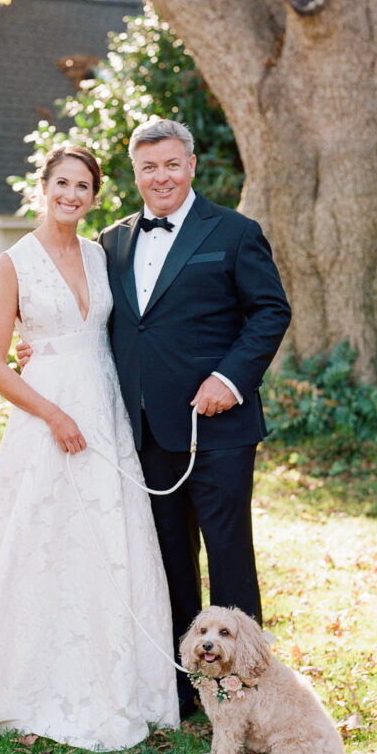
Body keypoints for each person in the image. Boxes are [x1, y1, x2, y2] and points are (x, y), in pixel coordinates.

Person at [0, 143, 179, 750]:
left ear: (94, 196)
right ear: (43, 186)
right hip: (48, 417)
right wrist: (53, 411)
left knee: (109, 536)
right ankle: (22, 670)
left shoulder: (99, 254)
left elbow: (117, 330)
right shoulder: (13, 263)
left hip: (105, 408)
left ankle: (120, 671)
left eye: (82, 186)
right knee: (43, 535)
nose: (70, 195)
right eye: (61, 183)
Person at [99, 118, 291, 717]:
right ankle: (185, 690)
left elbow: (269, 312)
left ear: (191, 166)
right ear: (136, 173)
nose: (161, 176)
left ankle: (247, 690)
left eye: (172, 164)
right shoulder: (111, 242)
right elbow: (96, 319)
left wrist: (230, 379)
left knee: (229, 556)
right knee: (168, 560)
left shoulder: (233, 232)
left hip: (220, 431)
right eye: (149, 167)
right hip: (147, 431)